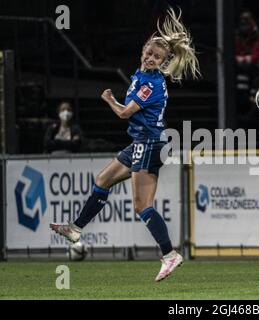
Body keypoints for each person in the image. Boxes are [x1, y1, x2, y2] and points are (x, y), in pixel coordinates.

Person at [50, 8, 200, 282]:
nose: (152, 58)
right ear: (143, 51)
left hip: (151, 143)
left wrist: (108, 98)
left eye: (158, 57)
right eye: (149, 53)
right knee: (103, 180)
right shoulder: (139, 74)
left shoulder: (150, 84)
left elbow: (124, 113)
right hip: (142, 142)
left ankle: (170, 255)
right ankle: (75, 229)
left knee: (143, 206)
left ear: (164, 61)